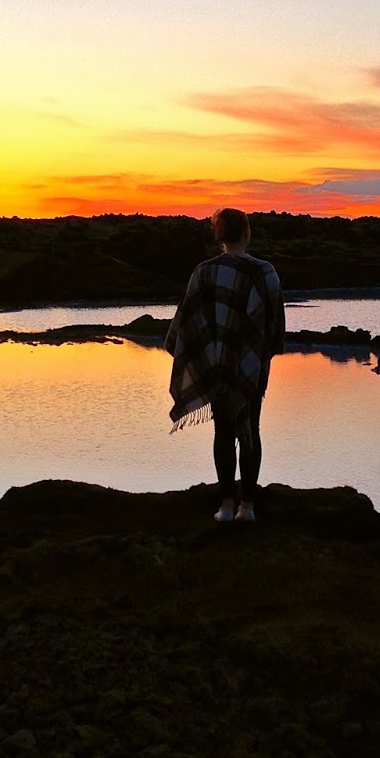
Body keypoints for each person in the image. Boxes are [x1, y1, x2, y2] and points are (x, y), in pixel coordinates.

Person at [164, 208, 285, 523]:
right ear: (247, 233)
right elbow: (274, 328)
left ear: (219, 236)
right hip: (251, 367)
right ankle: (249, 507)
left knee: (223, 432)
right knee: (250, 430)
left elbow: (186, 325)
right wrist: (260, 354)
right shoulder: (265, 272)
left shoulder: (204, 272)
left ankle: (226, 506)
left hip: (215, 367)